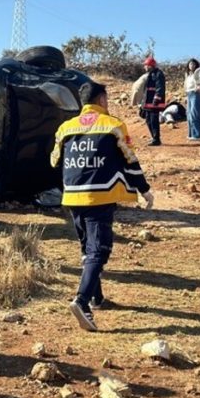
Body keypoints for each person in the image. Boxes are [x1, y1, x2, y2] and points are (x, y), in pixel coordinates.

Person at [51, 81, 152, 332]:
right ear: (102, 100)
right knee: (100, 250)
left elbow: (54, 161)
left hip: (73, 197)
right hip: (100, 195)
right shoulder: (113, 126)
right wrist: (144, 189)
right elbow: (130, 160)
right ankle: (82, 301)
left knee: (87, 248)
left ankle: (96, 298)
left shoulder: (65, 128)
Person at [141, 56, 166, 146]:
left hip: (154, 102)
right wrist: (142, 104)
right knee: (148, 120)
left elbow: (160, 88)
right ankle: (153, 138)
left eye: (146, 65)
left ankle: (156, 139)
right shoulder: (149, 74)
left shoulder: (159, 74)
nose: (145, 67)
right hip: (148, 101)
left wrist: (157, 98)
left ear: (150, 65)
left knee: (153, 120)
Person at [184, 58, 200, 141]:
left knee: (195, 113)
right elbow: (186, 86)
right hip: (189, 94)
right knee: (189, 114)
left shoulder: (199, 71)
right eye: (190, 64)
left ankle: (197, 135)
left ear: (196, 65)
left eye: (193, 64)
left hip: (195, 94)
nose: (192, 65)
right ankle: (191, 134)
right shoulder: (188, 75)